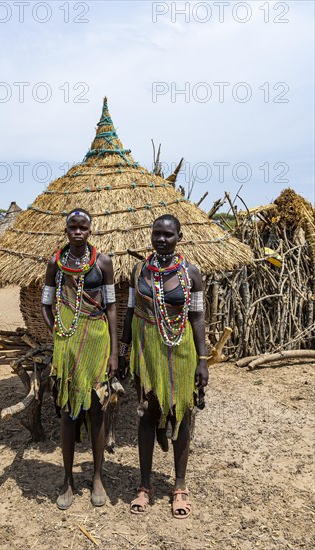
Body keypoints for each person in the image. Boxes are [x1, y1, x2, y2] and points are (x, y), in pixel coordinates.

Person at [119, 214, 209, 519]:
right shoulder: (139, 271)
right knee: (147, 413)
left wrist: (203, 360)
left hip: (181, 351)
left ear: (179, 237)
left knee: (181, 414)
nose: (161, 239)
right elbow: (131, 310)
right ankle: (145, 486)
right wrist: (123, 348)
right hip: (146, 351)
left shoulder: (191, 273)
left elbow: (197, 317)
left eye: (168, 235)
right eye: (156, 233)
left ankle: (179, 487)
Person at [41, 208, 118, 509]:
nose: (77, 232)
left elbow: (111, 306)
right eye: (72, 227)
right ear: (65, 229)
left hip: (97, 343)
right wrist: (59, 332)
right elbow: (46, 304)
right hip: (68, 346)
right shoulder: (55, 263)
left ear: (90, 230)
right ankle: (67, 480)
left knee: (97, 409)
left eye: (82, 227)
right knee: (67, 411)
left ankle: (97, 477)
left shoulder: (103, 263)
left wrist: (113, 351)